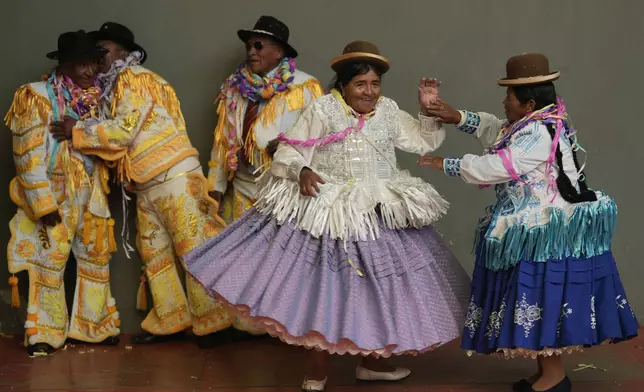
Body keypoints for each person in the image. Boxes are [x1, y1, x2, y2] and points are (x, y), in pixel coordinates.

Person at [185, 40, 470, 391]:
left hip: (380, 211)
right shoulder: (323, 110)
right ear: (343, 85)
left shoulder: (388, 111)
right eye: (361, 84)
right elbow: (288, 150)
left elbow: (421, 142)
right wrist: (302, 171)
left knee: (380, 288)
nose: (370, 92)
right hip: (330, 212)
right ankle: (316, 372)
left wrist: (427, 111)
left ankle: (371, 363)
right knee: (323, 292)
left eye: (375, 84)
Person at [418, 53, 639, 392]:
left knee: (539, 298)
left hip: (547, 231)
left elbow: (499, 166)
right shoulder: (532, 123)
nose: (504, 102)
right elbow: (497, 129)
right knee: (534, 299)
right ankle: (549, 374)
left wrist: (444, 164)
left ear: (528, 103)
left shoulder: (539, 131)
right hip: (533, 228)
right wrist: (457, 116)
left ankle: (554, 378)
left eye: (509, 96)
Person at [50, 22, 227, 345]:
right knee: (153, 252)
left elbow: (123, 131)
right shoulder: (112, 86)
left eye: (103, 49)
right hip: (146, 181)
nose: (97, 56)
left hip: (173, 175)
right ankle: (171, 321)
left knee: (193, 246)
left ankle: (215, 322)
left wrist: (78, 131)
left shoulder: (134, 78)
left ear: (124, 52)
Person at [206, 15, 323, 341]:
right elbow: (222, 138)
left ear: (279, 51)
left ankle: (287, 329)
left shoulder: (305, 87)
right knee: (240, 258)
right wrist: (214, 186)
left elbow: (322, 138)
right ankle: (245, 327)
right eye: (249, 45)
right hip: (242, 184)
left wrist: (290, 145)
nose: (251, 51)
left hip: (283, 188)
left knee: (284, 260)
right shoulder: (235, 87)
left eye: (258, 45)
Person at [6, 30, 120, 357]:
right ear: (64, 64)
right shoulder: (37, 95)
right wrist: (41, 203)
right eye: (80, 64)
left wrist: (85, 132)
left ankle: (94, 327)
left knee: (95, 258)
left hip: (93, 191)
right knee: (50, 259)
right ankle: (44, 332)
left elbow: (113, 144)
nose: (88, 72)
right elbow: (27, 154)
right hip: (56, 191)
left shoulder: (100, 100)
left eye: (93, 64)